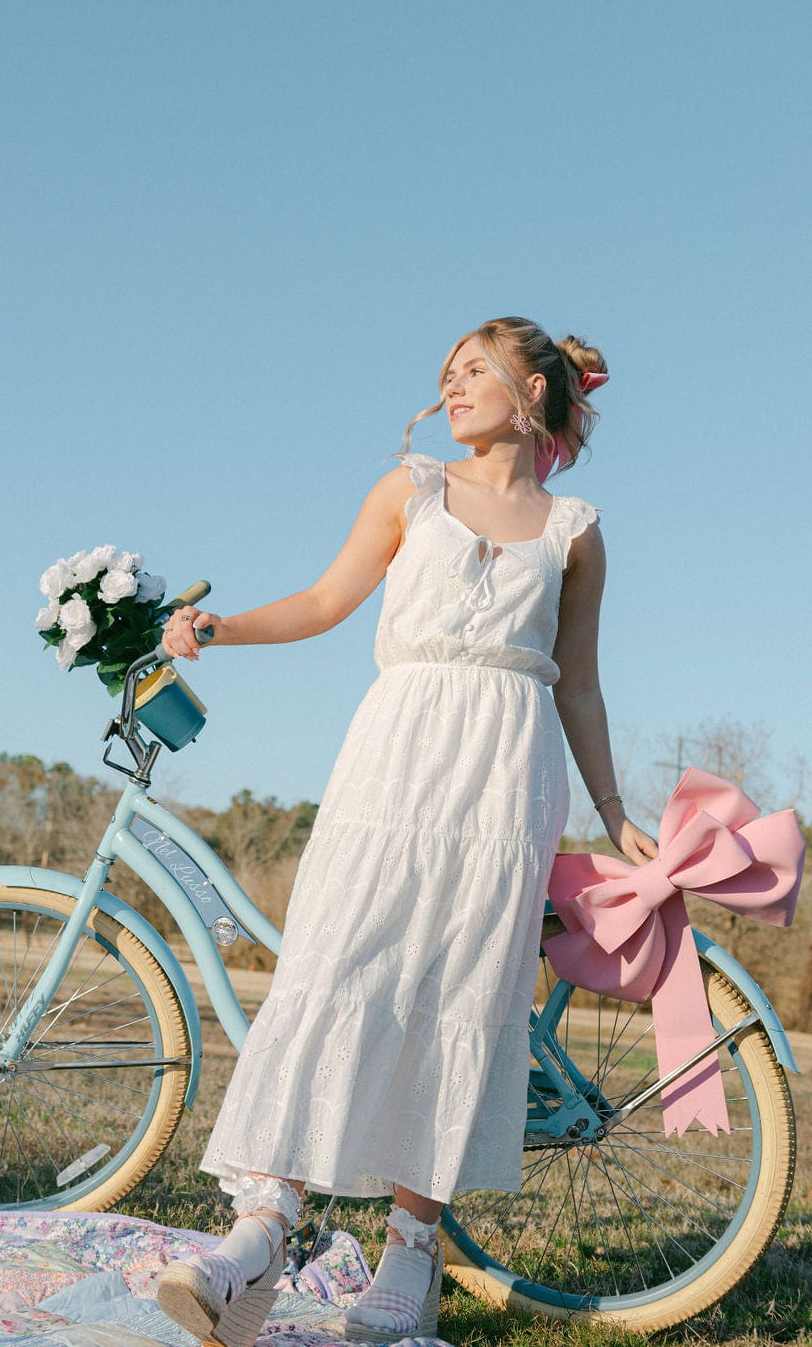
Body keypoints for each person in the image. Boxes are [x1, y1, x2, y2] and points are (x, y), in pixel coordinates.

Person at [155, 317, 657, 1347]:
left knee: (464, 987)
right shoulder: (410, 489)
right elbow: (330, 598)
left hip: (508, 769)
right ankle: (262, 1229)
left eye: (476, 369)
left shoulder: (574, 529)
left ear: (533, 389)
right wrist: (223, 624)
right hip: (396, 751)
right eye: (446, 374)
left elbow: (583, 685)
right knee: (336, 961)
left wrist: (614, 815)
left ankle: (410, 1252)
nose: (452, 385)